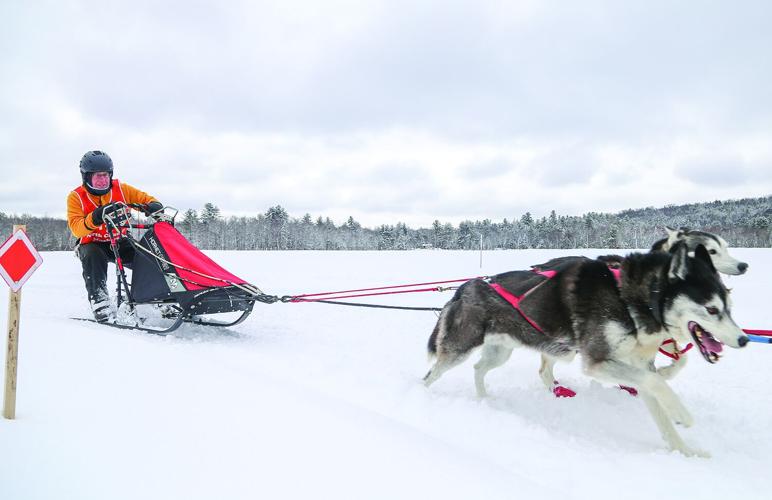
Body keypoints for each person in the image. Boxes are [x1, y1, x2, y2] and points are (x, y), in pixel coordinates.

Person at [67, 151, 163, 322]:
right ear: (86, 177)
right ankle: (100, 301)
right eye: (98, 176)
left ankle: (154, 296)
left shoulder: (122, 189)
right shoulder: (76, 197)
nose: (103, 180)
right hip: (92, 243)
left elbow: (147, 199)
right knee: (92, 255)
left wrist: (152, 206)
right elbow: (76, 229)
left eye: (106, 175)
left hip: (118, 240)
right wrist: (96, 217)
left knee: (148, 256)